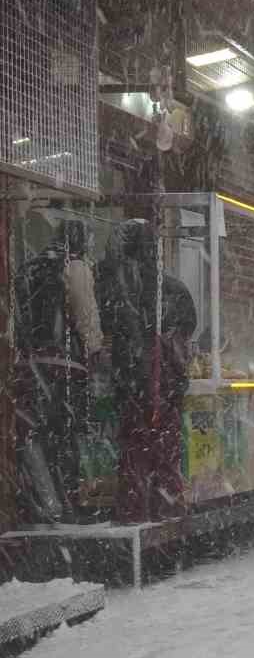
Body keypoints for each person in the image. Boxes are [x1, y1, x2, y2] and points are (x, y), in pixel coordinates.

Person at [96, 219, 196, 524]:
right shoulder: (170, 286)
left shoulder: (113, 284)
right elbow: (189, 325)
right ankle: (167, 507)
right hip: (164, 377)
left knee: (134, 448)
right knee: (165, 448)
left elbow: (109, 327)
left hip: (131, 376)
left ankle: (135, 509)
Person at [16, 220, 104, 522]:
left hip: (31, 364)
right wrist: (96, 350)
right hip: (65, 365)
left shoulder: (30, 267)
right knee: (67, 435)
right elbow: (86, 316)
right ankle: (72, 503)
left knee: (39, 435)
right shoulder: (75, 267)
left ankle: (45, 501)